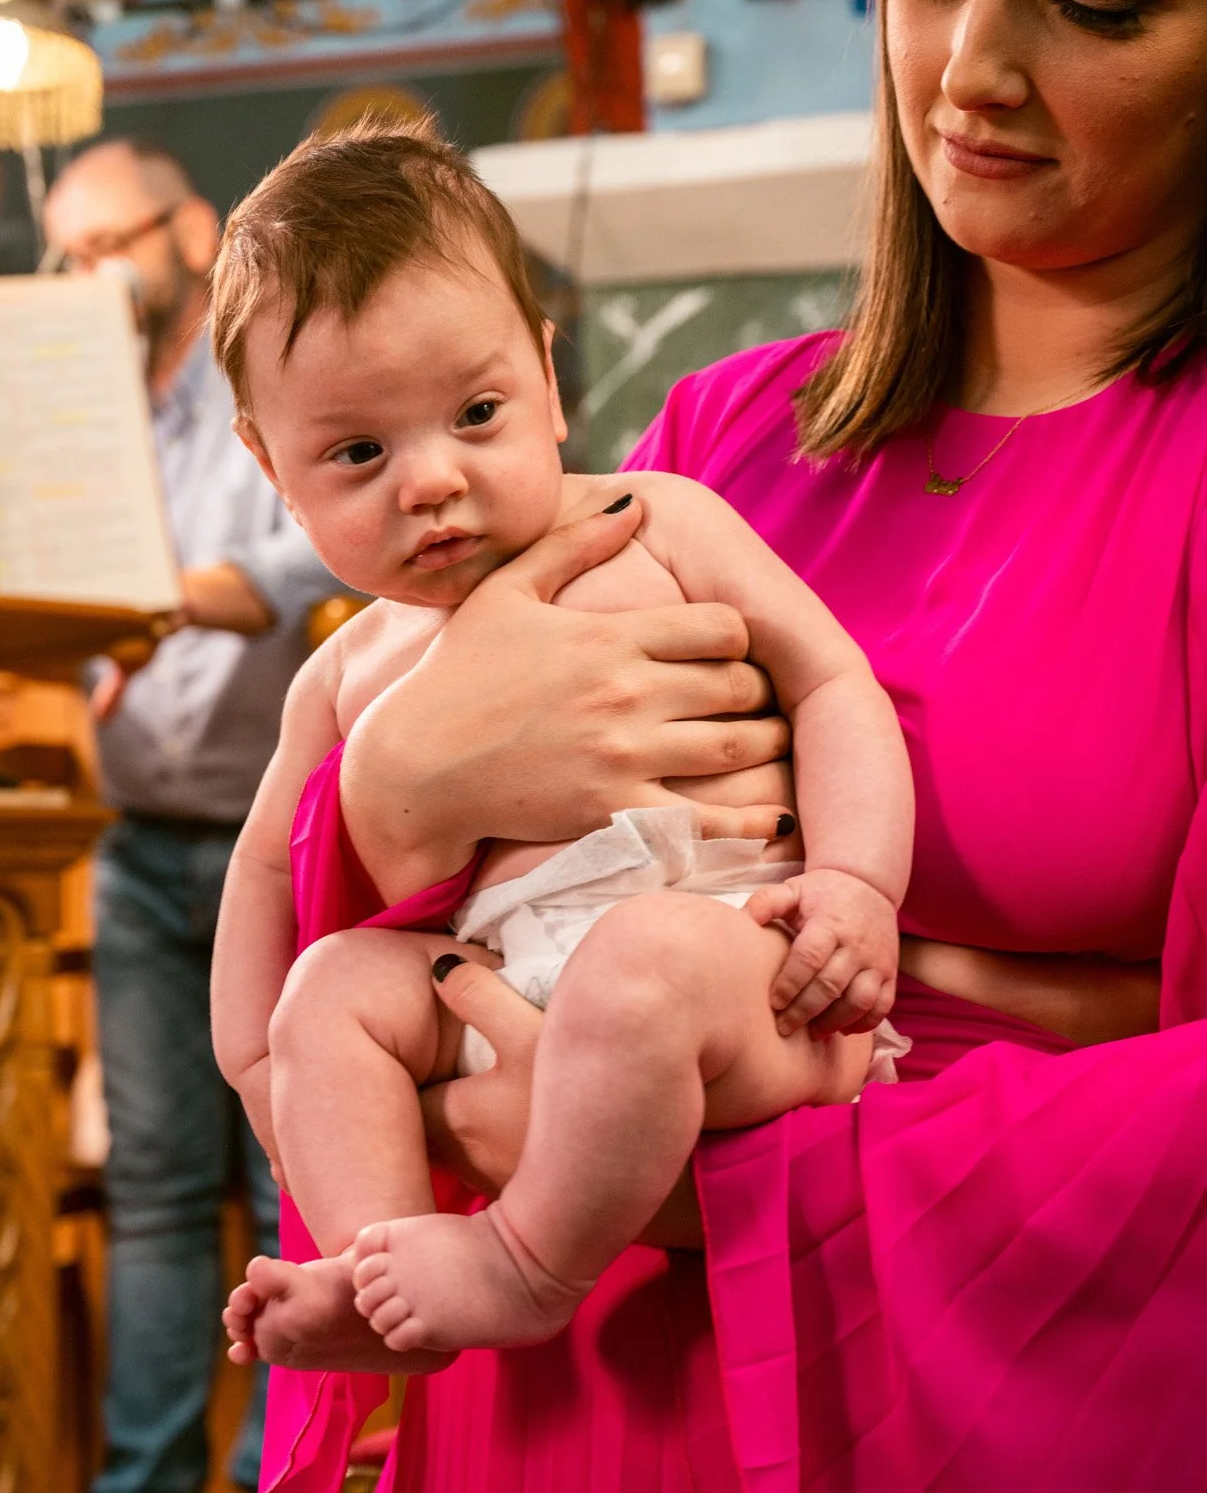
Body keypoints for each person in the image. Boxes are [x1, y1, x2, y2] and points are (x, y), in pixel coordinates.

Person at [246, 0, 1207, 1493]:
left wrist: (716, 1163)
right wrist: (406, 790)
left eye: (1092, 1)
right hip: (547, 1427)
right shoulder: (719, 438)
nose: (970, 69)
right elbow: (353, 945)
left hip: (930, 1472)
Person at [203, 123, 913, 1368]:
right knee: (334, 989)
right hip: (505, 980)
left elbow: (833, 683)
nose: (430, 480)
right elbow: (266, 874)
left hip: (735, 969)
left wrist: (853, 886)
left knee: (637, 965)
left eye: (475, 413)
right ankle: (372, 1275)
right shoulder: (340, 672)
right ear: (270, 463)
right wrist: (266, 1065)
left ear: (544, 371)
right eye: (357, 452)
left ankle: (526, 1263)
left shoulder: (662, 521)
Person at [43, 140, 346, 1493]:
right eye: (67, 251)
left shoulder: (268, 354)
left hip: (277, 845)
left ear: (184, 229)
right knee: (160, 1195)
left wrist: (178, 584)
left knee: (285, 1178)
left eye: (113, 240)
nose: (94, 271)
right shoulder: (88, 424)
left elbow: (319, 545)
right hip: (133, 836)